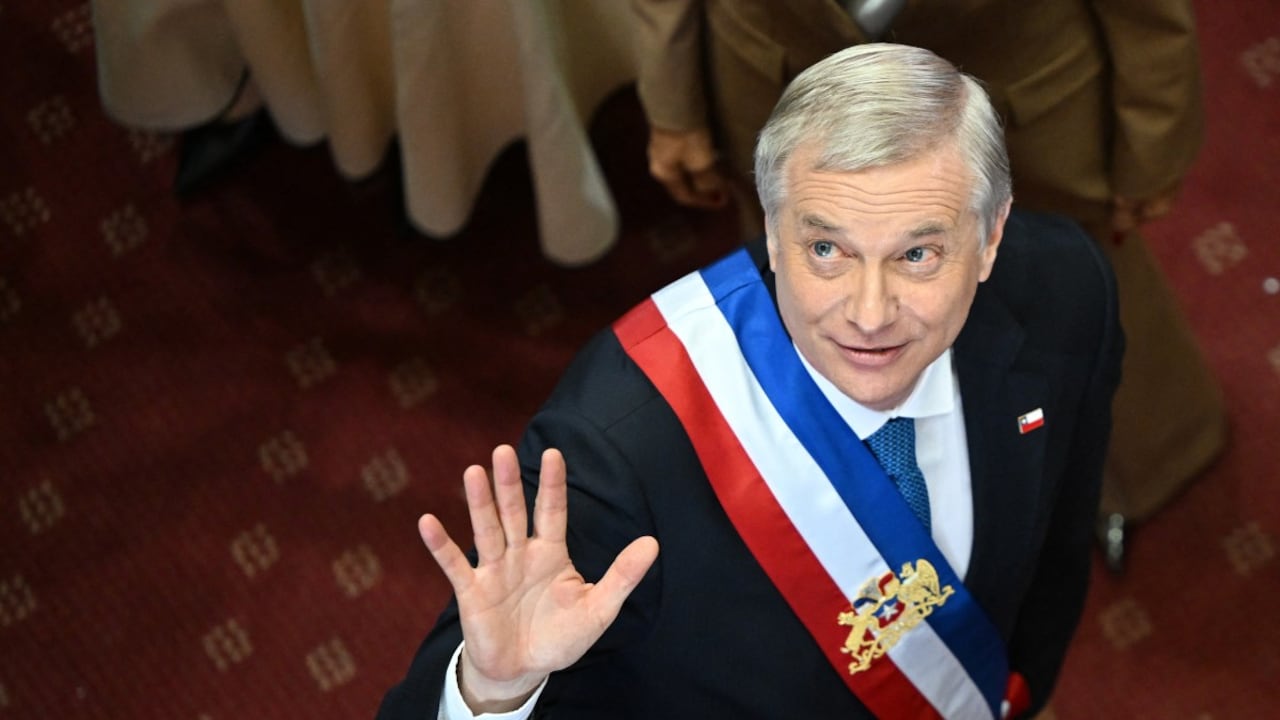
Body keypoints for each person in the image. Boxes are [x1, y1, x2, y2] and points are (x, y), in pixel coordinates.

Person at [379, 44, 1123, 719]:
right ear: (770, 233)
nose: (870, 314)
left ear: (991, 238)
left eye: (918, 256)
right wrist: (492, 693)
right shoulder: (621, 441)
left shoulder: (1062, 291)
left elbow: (1053, 556)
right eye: (826, 248)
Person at [631, 0, 1225, 568]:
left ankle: (1137, 472)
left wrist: (1154, 140)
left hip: (1021, 88)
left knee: (1078, 286)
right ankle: (858, 475)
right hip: (779, 64)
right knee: (818, 295)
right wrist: (672, 100)